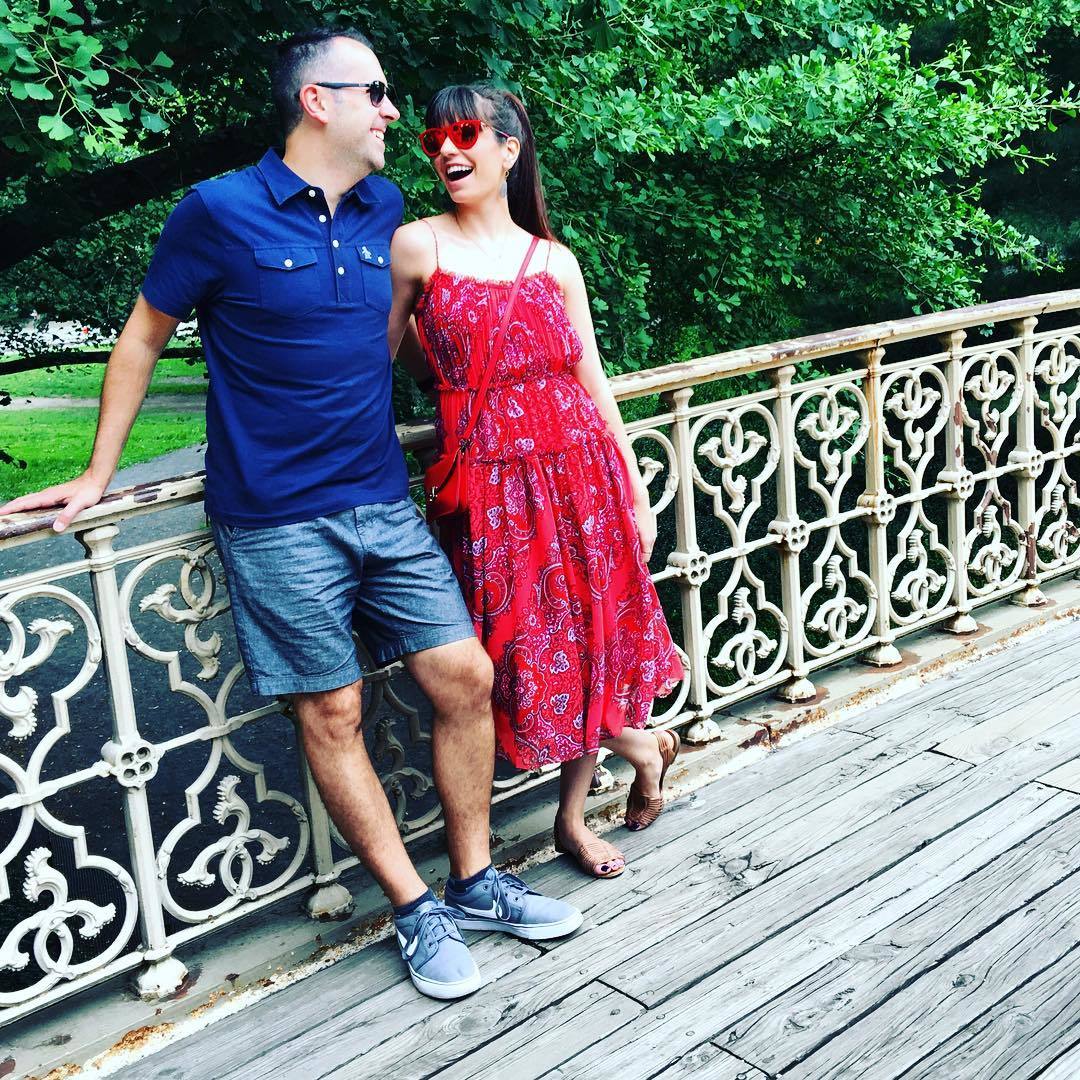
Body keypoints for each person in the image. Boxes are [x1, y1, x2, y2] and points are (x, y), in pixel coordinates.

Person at [0, 31, 581, 1001]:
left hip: (380, 497)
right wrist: (98, 473)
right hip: (274, 516)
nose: (394, 113)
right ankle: (414, 908)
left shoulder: (387, 210)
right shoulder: (216, 211)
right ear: (319, 101)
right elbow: (142, 336)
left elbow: (412, 328)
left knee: (465, 675)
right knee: (332, 707)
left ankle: (475, 880)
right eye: (377, 94)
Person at [388, 85, 685, 880]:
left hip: (582, 476)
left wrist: (634, 489)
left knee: (588, 641)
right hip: (490, 491)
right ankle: (644, 748)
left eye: (465, 134)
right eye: (434, 140)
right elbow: (385, 349)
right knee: (510, 655)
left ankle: (570, 818)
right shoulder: (416, 246)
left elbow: (593, 379)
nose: (447, 151)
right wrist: (445, 382)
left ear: (508, 150)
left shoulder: (555, 260)